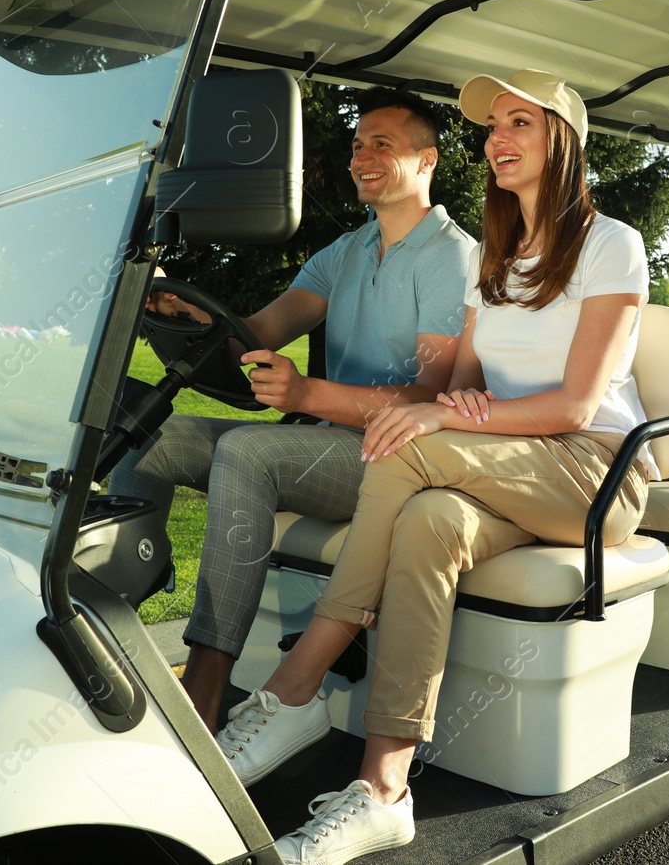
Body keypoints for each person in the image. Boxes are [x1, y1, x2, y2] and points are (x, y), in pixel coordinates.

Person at [219, 69, 658, 865]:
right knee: (428, 520)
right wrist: (433, 405)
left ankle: (296, 683)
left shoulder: (611, 244)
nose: (497, 139)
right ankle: (384, 787)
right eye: (493, 126)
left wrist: (437, 416)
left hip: (594, 476)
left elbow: (574, 407)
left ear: (563, 141)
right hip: (506, 464)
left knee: (412, 438)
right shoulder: (496, 252)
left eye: (519, 122)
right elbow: (463, 382)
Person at [110, 89, 475, 736]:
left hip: (397, 453)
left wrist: (308, 395)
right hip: (331, 443)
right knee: (150, 436)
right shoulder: (348, 251)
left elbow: (432, 396)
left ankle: (204, 691)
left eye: (381, 145)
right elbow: (259, 330)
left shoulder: (451, 257)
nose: (362, 156)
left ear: (427, 161)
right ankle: (120, 620)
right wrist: (193, 320)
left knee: (249, 452)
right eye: (358, 144)